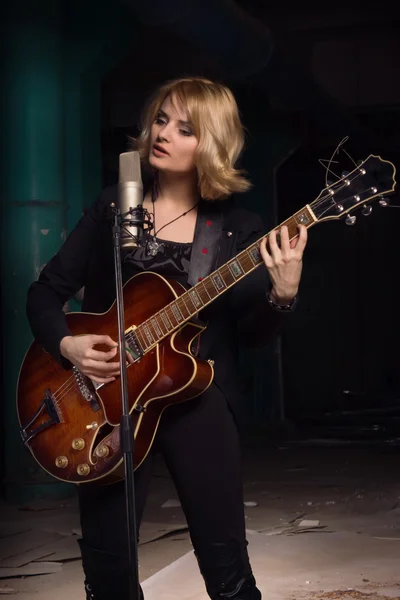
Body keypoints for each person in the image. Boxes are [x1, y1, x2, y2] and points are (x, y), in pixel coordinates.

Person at [26, 76, 308, 600]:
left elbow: (250, 338)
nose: (164, 134)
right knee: (109, 574)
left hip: (196, 398)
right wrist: (68, 346)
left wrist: (283, 294)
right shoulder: (114, 207)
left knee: (227, 570)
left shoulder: (237, 229)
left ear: (213, 145)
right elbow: (45, 293)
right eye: (161, 119)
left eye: (186, 128)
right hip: (105, 402)